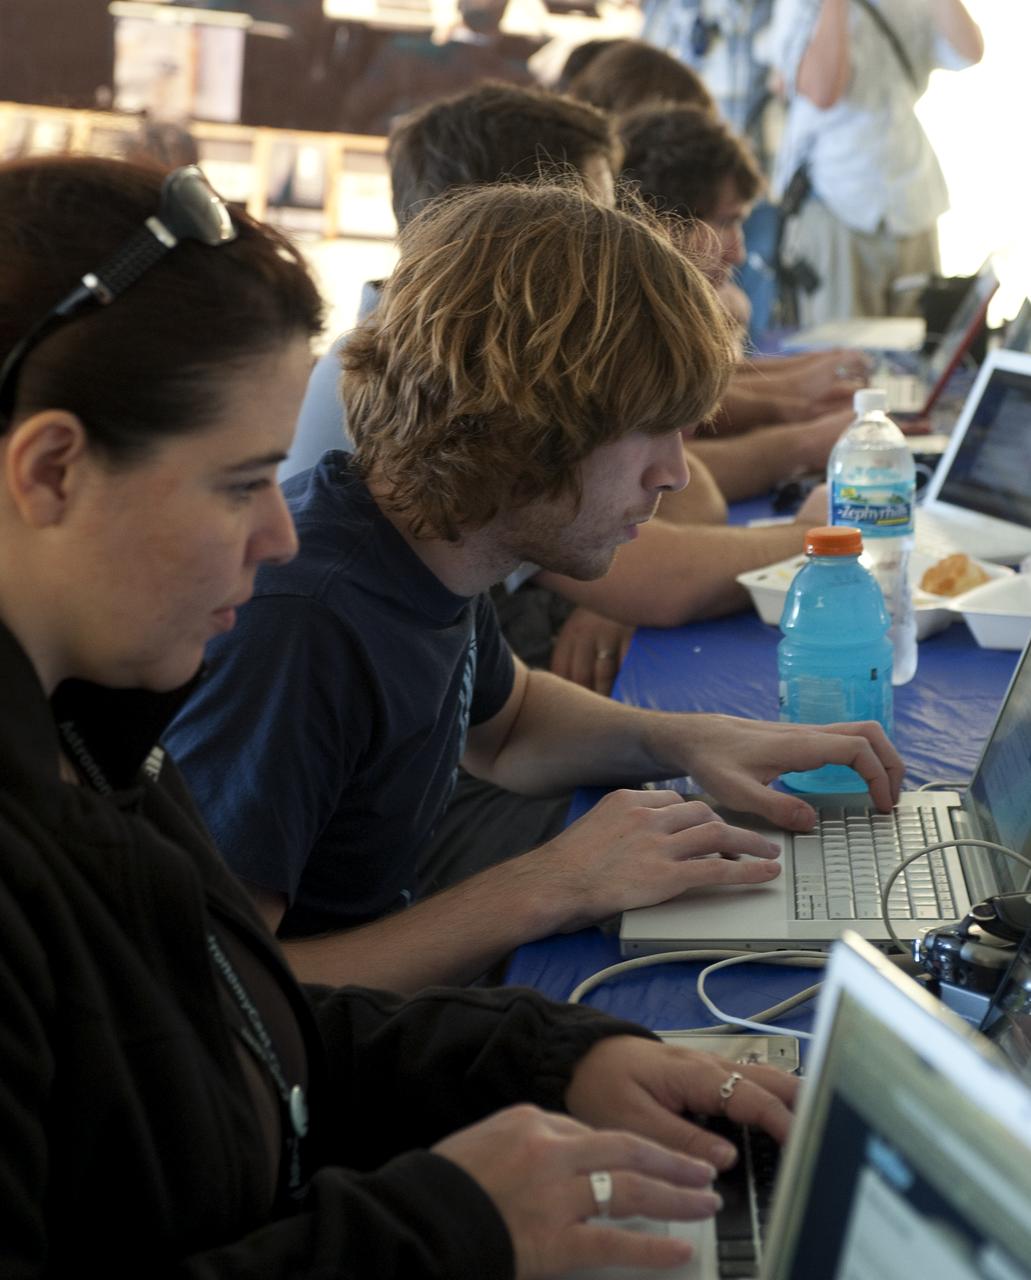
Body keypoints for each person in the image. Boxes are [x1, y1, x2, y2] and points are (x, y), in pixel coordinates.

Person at [0, 152, 809, 1278]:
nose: (274, 532)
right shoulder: (279, 628)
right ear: (48, 474)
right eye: (241, 483)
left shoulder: (94, 739)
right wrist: (448, 1222)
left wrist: (542, 1057)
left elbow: (239, 1018)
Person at [166, 179, 904, 994]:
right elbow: (223, 1001)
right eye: (646, 434)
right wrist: (552, 884)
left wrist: (686, 740)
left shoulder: (426, 550)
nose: (671, 474)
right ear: (527, 427)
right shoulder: (302, 628)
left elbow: (509, 724)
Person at [616, 101, 865, 502]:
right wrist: (801, 436)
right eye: (725, 221)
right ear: (660, 220)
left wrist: (796, 402)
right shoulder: (614, 325)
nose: (738, 253)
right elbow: (680, 501)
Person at [766, 0, 984, 324]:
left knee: (920, 348)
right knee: (843, 359)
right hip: (835, 200)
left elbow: (969, 51)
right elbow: (823, 90)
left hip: (912, 197)